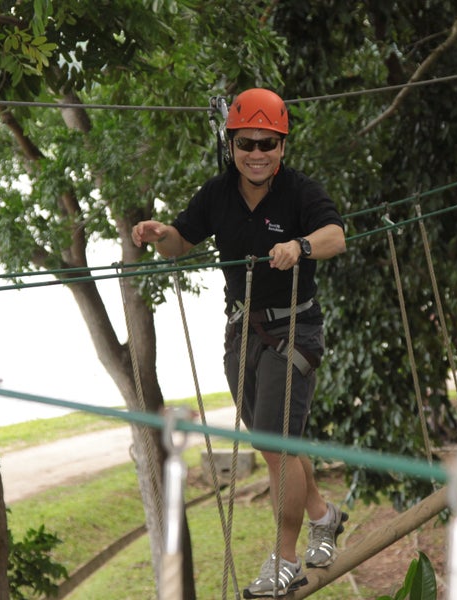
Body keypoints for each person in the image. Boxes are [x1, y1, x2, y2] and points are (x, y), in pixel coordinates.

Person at [132, 88, 347, 598]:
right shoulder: (217, 194)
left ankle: (286, 559)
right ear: (231, 145)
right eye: (246, 143)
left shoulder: (299, 192)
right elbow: (181, 242)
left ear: (282, 147)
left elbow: (336, 235)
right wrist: (159, 232)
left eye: (267, 144)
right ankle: (324, 515)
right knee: (277, 444)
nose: (256, 153)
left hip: (296, 330)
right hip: (243, 332)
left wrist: (300, 245)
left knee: (274, 443)